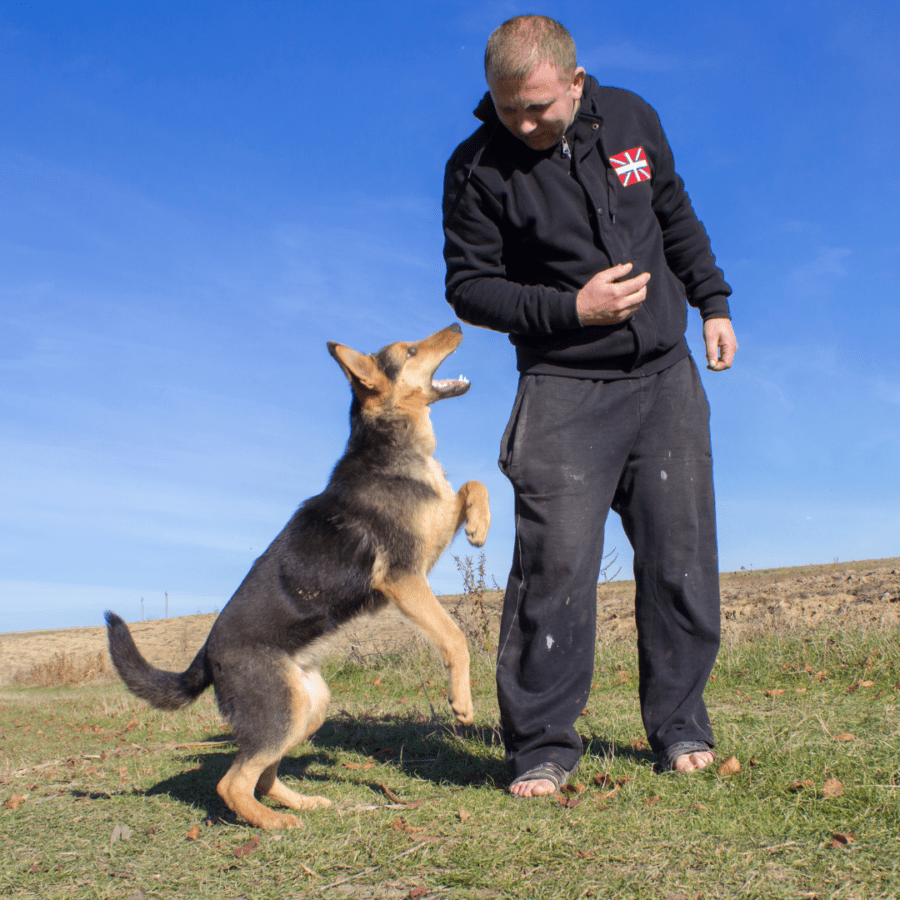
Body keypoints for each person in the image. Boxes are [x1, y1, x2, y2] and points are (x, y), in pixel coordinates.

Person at [442, 15, 737, 797]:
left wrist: (712, 302)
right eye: (507, 108)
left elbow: (673, 212)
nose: (523, 122)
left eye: (537, 106)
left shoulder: (634, 118)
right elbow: (469, 287)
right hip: (563, 385)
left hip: (664, 378)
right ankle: (541, 744)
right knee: (555, 566)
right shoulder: (475, 170)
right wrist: (573, 309)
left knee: (680, 557)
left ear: (575, 83)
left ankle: (680, 727)